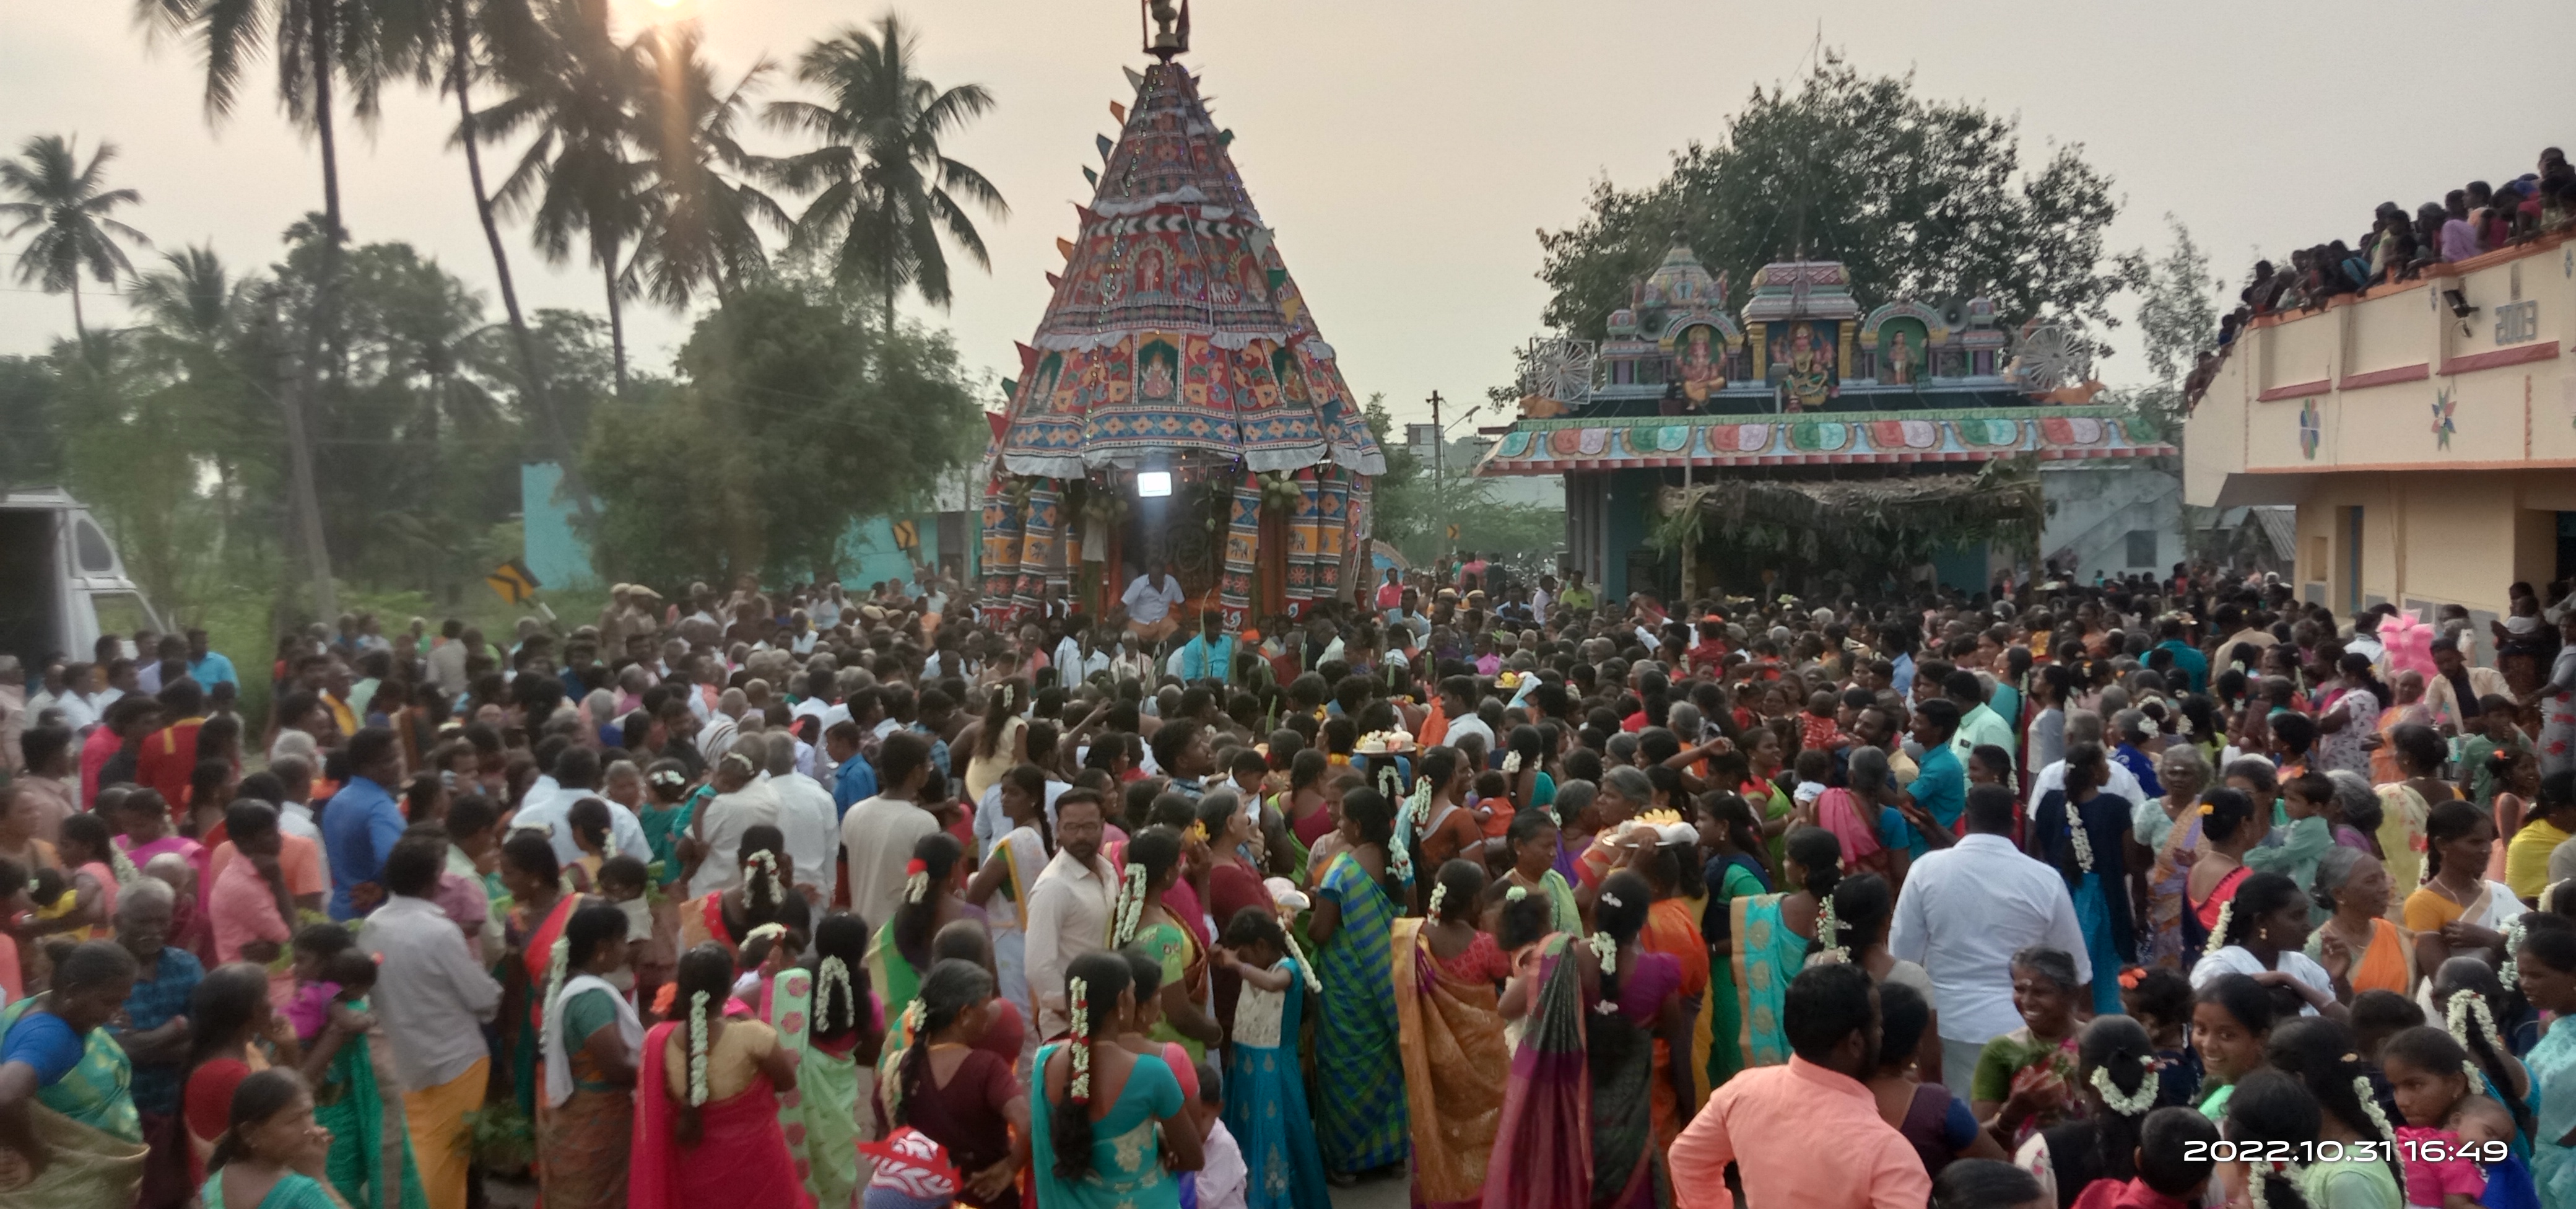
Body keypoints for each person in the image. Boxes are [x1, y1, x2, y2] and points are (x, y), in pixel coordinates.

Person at [1670, 961, 1933, 1209]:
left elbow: (1686, 1159)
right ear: (1855, 1042)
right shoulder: (1889, 1155)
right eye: (1877, 1026)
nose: (1881, 1034)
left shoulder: (1743, 1091)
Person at [1893, 784, 2091, 1099]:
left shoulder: (1926, 870)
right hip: (2023, 1022)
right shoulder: (2043, 879)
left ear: (1965, 820)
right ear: (2013, 826)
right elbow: (2075, 968)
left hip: (1949, 1023)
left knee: (1962, 1124)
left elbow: (1903, 956)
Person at [362, 837, 500, 1209]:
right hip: (454, 1059)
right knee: (442, 1161)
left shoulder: (373, 925)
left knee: (425, 1150)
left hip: (406, 1058)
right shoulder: (439, 931)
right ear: (431, 883)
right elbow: (481, 997)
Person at [632, 943, 809, 1209]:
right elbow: (787, 1082)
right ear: (728, 989)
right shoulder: (754, 1036)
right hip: (759, 1169)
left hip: (694, 1168)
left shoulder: (658, 1042)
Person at [1029, 950, 1204, 1208]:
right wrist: (1158, 1140)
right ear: (1122, 1002)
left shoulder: (1044, 1063)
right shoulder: (1153, 1073)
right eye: (1133, 991)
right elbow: (1193, 1159)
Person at [1391, 859, 1510, 1209]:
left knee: (1436, 1125)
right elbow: (1507, 978)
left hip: (1430, 1054)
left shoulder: (1410, 938)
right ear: (1475, 902)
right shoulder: (1487, 947)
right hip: (1480, 1059)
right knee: (1481, 1135)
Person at [1306, 785, 1405, 1181]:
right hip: (1389, 979)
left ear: (1358, 826)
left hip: (1349, 985)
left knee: (1345, 1067)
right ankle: (1392, 1154)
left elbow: (1320, 931)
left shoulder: (1343, 871)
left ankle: (1347, 1161)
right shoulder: (1397, 858)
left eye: (1343, 816)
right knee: (1386, 1064)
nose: (1337, 821)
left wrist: (1300, 911)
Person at [0, 940, 146, 1201]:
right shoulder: (51, 1037)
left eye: (121, 1002)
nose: (115, 1013)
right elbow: (6, 1096)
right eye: (109, 1002)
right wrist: (36, 1155)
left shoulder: (41, 1003)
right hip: (67, 1179)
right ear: (73, 990)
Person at [878, 959, 1028, 1208]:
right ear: (965, 1014)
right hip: (986, 1199)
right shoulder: (987, 1068)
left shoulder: (899, 1068)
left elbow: (885, 1136)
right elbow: (1028, 1125)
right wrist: (1009, 1168)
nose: (992, 1013)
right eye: (987, 1006)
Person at [1209, 907, 1329, 1209]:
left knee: (1276, 1134)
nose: (1244, 961)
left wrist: (1237, 966)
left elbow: (1273, 984)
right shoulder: (1260, 966)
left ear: (1262, 947)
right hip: (1247, 1067)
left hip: (1273, 1072)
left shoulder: (1287, 968)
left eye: (1247, 954)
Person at [537, 902, 642, 1209]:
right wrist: (662, 1067)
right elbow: (614, 1067)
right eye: (622, 941)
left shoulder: (573, 985)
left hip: (583, 1110)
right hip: (599, 1113)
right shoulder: (591, 998)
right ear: (603, 947)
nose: (627, 949)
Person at [773, 911, 879, 1208]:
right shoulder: (865, 997)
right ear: (861, 950)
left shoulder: (795, 984)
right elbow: (871, 1051)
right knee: (838, 1160)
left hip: (803, 1092)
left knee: (807, 1158)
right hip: (840, 1098)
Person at [110, 876, 201, 1209]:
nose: (155, 929)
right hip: (122, 1118)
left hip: (179, 1109)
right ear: (118, 921)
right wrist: (177, 1028)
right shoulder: (100, 970)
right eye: (143, 921)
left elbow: (204, 1038)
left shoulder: (185, 965)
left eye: (162, 920)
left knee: (181, 1194)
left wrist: (143, 1044)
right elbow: (118, 1050)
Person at [2024, 743, 2134, 1016]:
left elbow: (2035, 846)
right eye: (2105, 764)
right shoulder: (2115, 808)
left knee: (2059, 960)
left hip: (2056, 892)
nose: (2110, 769)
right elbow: (2128, 861)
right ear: (2095, 771)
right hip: (2100, 900)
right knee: (2100, 966)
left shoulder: (2050, 802)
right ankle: (2103, 1019)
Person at [1731, 824, 1837, 1071]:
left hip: (1779, 1033)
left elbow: (1738, 975)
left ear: (1804, 870)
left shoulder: (1762, 912)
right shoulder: (1845, 911)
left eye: (1787, 859)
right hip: (1830, 1032)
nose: (1783, 863)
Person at [1025, 790, 1117, 1038]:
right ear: (1058, 830)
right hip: (1069, 1026)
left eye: (1088, 827)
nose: (1080, 836)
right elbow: (1038, 966)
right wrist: (1076, 1013)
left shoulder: (1108, 871)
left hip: (1106, 1014)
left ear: (1102, 826)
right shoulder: (1053, 886)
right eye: (1071, 827)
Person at [2403, 800, 2525, 982]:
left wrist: (2493, 941)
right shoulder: (2423, 903)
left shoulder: (2500, 892)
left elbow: (2540, 950)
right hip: (2461, 1006)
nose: (2486, 850)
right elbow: (2444, 980)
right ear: (2442, 845)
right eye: (2475, 842)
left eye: (2488, 841)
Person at [196, 1068, 341, 1209]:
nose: (310, 1129)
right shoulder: (301, 1194)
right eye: (293, 1120)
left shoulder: (218, 1181)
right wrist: (319, 1178)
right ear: (249, 1133)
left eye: (310, 1113)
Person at [845, 731, 943, 935]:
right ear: (917, 772)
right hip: (897, 937)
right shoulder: (923, 823)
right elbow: (930, 890)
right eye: (929, 765)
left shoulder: (855, 813)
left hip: (858, 932)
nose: (930, 770)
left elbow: (843, 877)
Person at [2510, 915, 2576, 1203]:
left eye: (2536, 975)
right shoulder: (2551, 1023)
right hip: (2541, 1161)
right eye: (2522, 974)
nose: (2525, 984)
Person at [874, 832, 972, 1024]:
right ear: (954, 870)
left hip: (904, 1029)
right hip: (956, 1024)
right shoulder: (971, 917)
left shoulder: (896, 922)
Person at [321, 728, 406, 920]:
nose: (398, 765)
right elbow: (395, 860)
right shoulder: (380, 807)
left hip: (341, 908)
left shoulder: (338, 800)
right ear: (366, 767)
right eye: (389, 760)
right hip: (372, 913)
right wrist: (382, 888)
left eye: (397, 757)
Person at [2309, 847, 2413, 1000]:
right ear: (2339, 894)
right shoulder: (2319, 948)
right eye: (2371, 882)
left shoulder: (2395, 932)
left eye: (2383, 878)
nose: (2384, 888)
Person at [1121, 561, 1187, 645]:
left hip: (1162, 621)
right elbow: (1123, 604)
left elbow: (1182, 604)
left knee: (1176, 634)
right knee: (1131, 638)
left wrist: (1188, 625)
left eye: (1158, 579)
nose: (1155, 582)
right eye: (1152, 579)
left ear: (1164, 575)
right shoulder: (1138, 584)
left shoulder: (1172, 582)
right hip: (1140, 623)